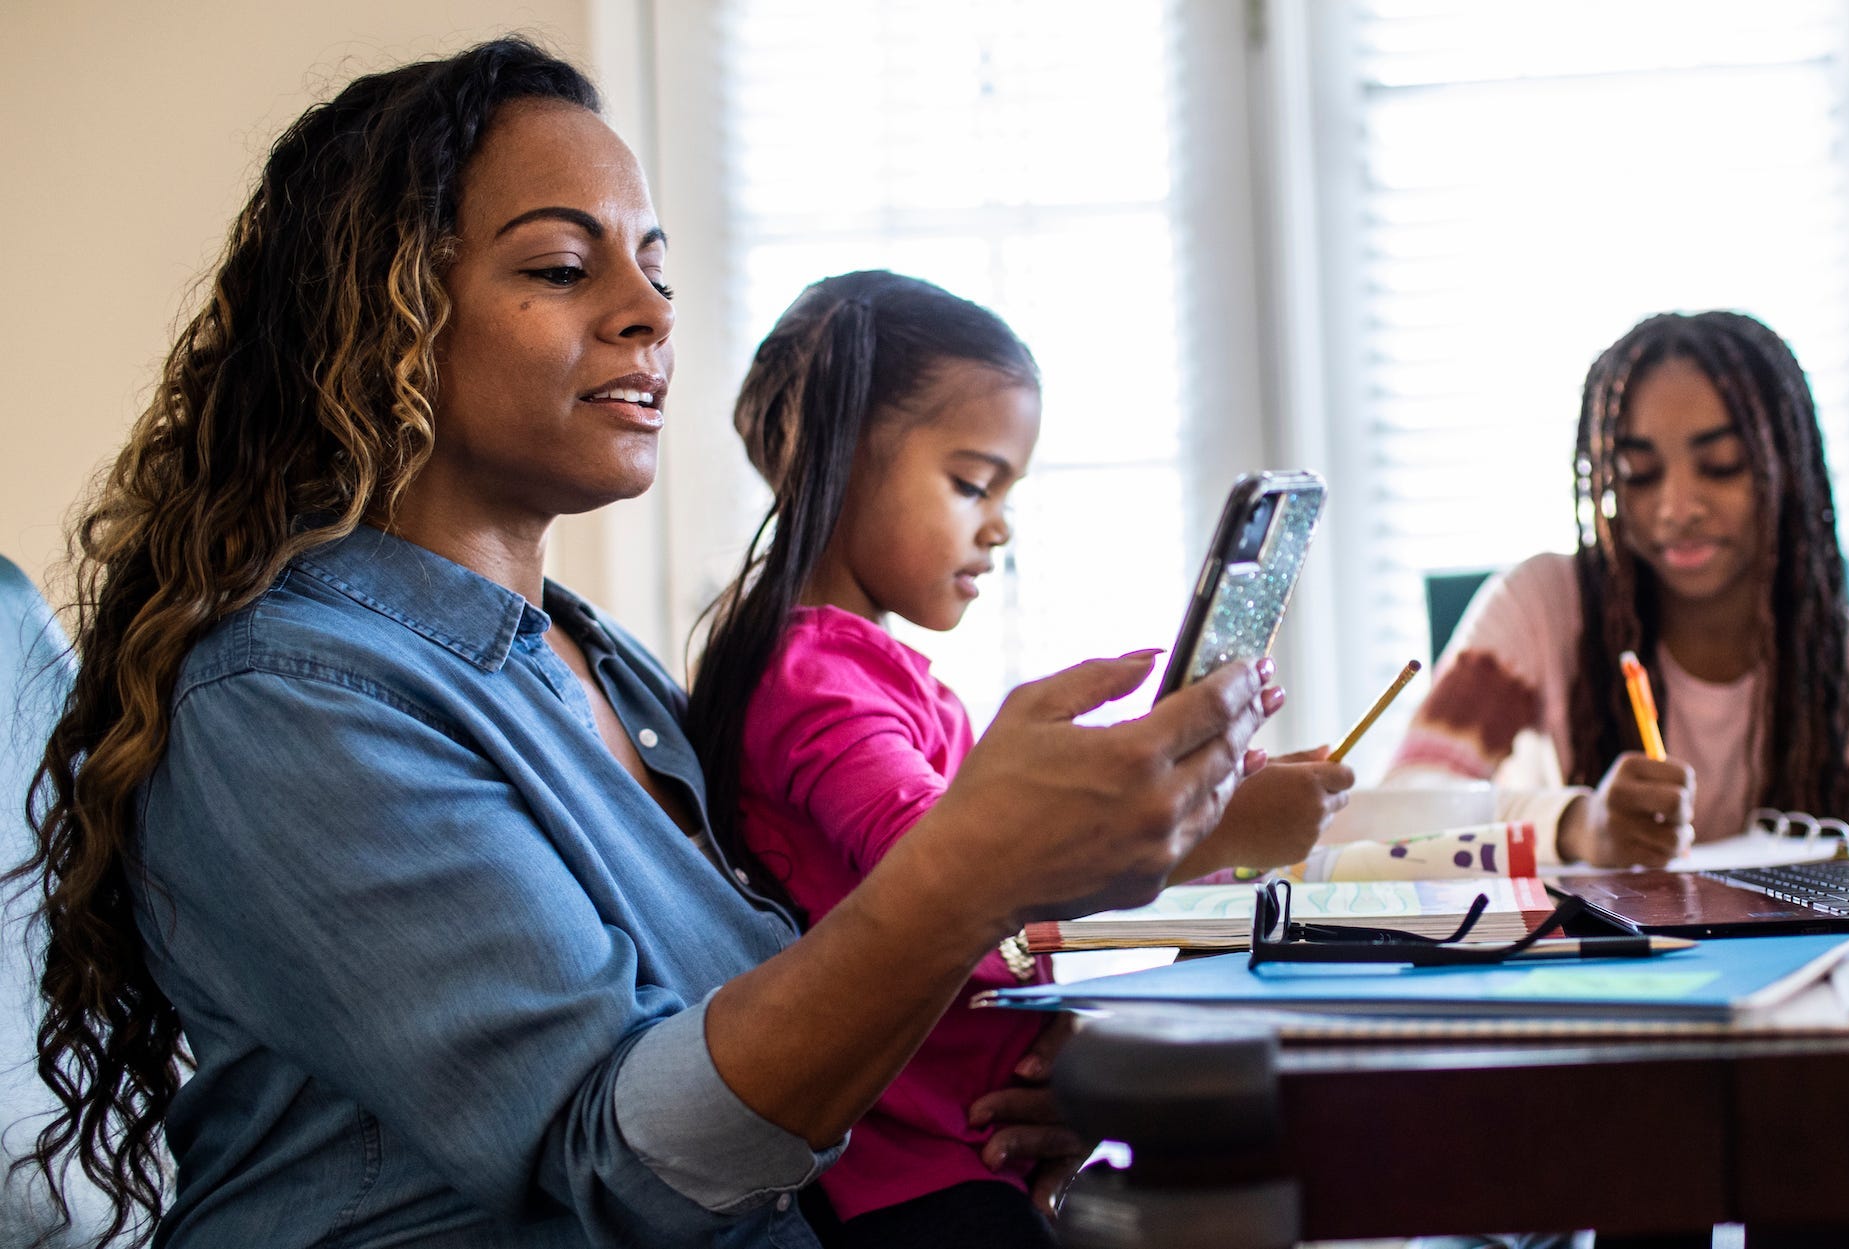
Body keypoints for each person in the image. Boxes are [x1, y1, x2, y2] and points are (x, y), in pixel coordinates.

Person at [13, 38, 1272, 1249]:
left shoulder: (606, 669)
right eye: (563, 268)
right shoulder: (291, 698)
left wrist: (999, 1103)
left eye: (658, 271)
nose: (648, 314)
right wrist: (967, 873)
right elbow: (632, 1169)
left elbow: (763, 1029)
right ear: (382, 316)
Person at [680, 269, 1352, 1246]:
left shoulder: (881, 677)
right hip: (905, 1177)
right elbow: (951, 869)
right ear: (846, 457)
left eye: (1007, 490)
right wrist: (1203, 834)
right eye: (970, 481)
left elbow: (986, 845)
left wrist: (1173, 781)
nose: (997, 524)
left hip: (967, 1140)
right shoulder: (814, 676)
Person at [1385, 311, 1849, 868]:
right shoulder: (1543, 606)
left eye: (1721, 465)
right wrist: (1573, 825)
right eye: (1638, 472)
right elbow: (1398, 811)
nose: (1677, 508)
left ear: (1789, 469)